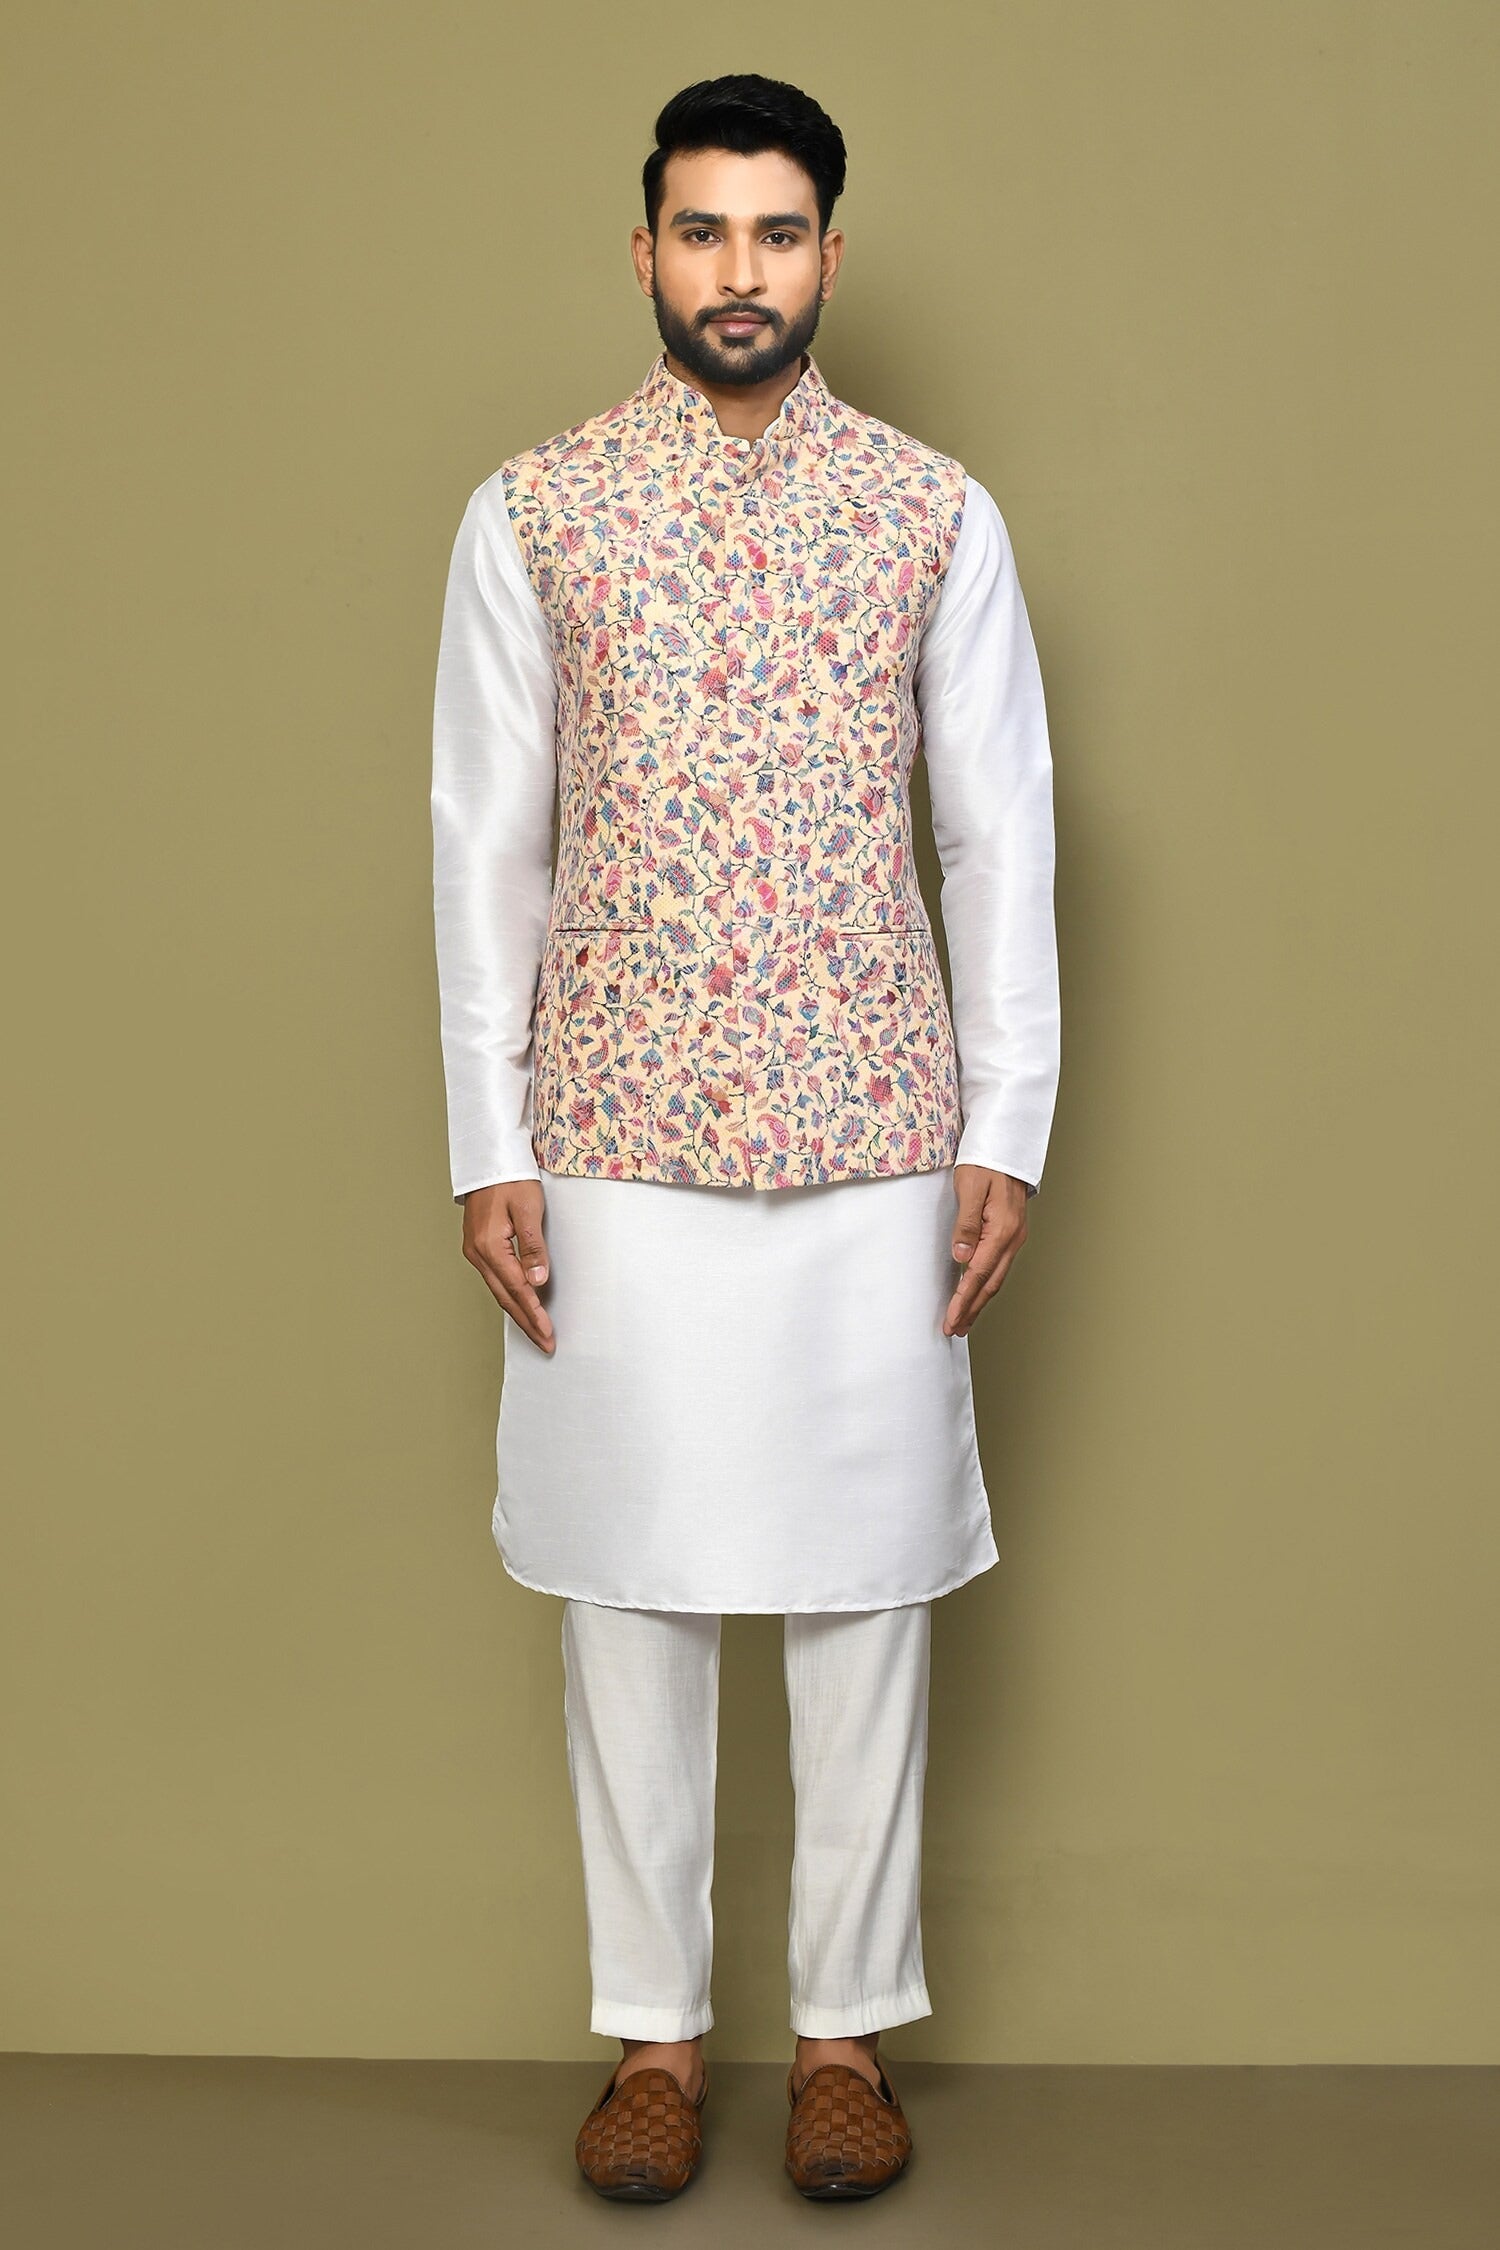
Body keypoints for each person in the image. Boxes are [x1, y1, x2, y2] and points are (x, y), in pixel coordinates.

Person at [430, 72, 1060, 2203]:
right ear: (644, 251)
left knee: (865, 1587)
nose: (738, 271)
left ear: (828, 257)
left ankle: (846, 2039)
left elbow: (998, 832)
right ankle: (655, 2040)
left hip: (876, 1124)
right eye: (702, 230)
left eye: (776, 233)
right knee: (632, 1586)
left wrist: (1010, 1122)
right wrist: (486, 1139)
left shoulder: (934, 514)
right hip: (610, 1123)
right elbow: (485, 842)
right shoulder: (536, 512)